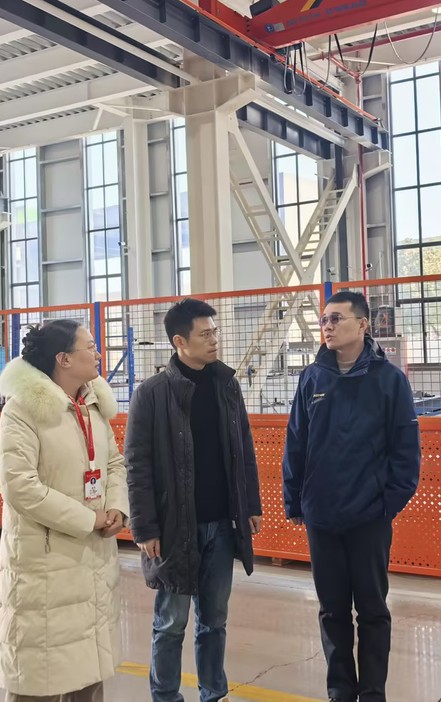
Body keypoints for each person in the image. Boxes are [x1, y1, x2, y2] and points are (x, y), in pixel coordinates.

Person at [283, 291, 421, 702]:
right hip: (322, 518)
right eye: (324, 320)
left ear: (363, 325)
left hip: (368, 519)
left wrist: (385, 506)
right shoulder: (312, 379)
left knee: (373, 611)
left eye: (336, 319)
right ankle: (340, 691)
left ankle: (372, 692)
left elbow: (406, 452)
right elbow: (296, 443)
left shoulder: (389, 380)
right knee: (332, 611)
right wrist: (295, 501)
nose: (327, 326)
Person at [124, 298, 263, 702]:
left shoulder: (226, 385)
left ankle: (213, 692)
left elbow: (243, 449)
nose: (214, 340)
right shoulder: (152, 394)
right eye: (205, 334)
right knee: (171, 623)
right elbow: (137, 465)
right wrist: (145, 528)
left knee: (214, 621)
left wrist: (250, 505)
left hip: (222, 525)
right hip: (173, 528)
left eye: (214, 332)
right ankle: (166, 696)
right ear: (180, 342)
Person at [0, 320, 128, 702]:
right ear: (64, 359)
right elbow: (19, 486)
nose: (98, 353)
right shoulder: (23, 410)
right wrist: (88, 519)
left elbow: (114, 463)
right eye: (90, 346)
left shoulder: (93, 404)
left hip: (94, 562)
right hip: (46, 564)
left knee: (88, 672)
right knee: (41, 674)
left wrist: (116, 507)